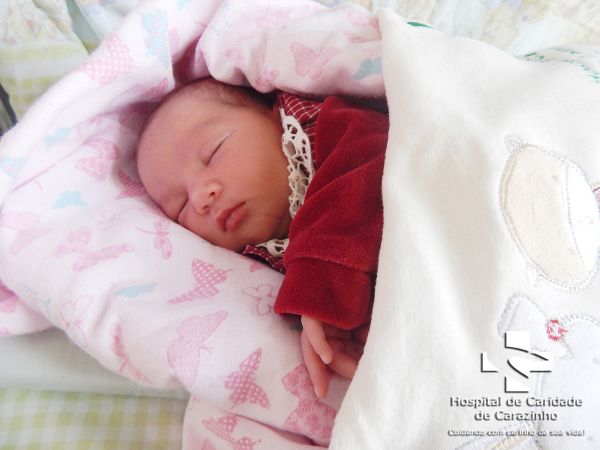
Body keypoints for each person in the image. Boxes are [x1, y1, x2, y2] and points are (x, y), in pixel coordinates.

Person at [137, 78, 387, 399]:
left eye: (213, 153)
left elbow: (375, 164)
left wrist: (324, 283)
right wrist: (345, 323)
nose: (200, 197)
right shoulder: (258, 269)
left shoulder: (325, 129)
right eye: (181, 207)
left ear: (271, 116)